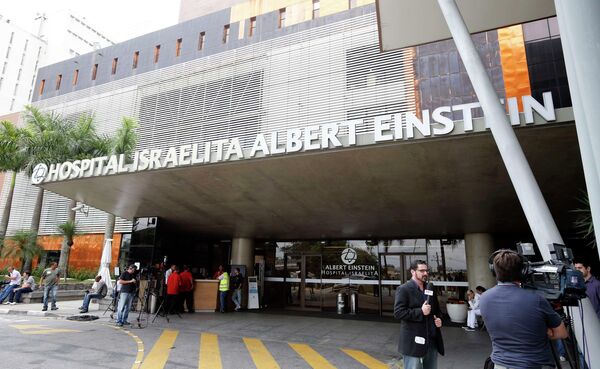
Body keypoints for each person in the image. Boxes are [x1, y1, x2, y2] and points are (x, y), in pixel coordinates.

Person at [480, 249, 568, 369]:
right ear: (523, 272)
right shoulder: (537, 300)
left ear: (494, 271)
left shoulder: (484, 298)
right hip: (533, 365)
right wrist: (542, 332)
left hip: (499, 364)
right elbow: (562, 333)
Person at [394, 260, 444, 369]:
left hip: (431, 341)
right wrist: (420, 311)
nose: (425, 273)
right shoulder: (404, 289)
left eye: (426, 270)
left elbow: (437, 311)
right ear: (413, 272)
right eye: (422, 270)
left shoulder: (430, 287)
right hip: (414, 343)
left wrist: (439, 319)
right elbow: (398, 312)